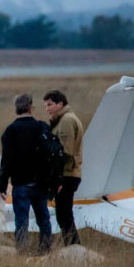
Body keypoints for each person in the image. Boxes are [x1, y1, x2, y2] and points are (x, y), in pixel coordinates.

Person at [0, 93, 52, 254]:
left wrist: (2, 185)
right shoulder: (42, 127)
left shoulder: (10, 131)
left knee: (21, 221)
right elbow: (51, 155)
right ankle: (45, 250)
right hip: (41, 182)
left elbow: (6, 161)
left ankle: (22, 251)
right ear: (30, 108)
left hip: (21, 183)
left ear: (16, 109)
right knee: (44, 219)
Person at [43, 89, 84, 246]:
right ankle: (73, 245)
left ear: (60, 104)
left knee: (64, 214)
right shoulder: (63, 119)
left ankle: (73, 246)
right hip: (68, 173)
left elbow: (65, 151)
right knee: (63, 214)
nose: (47, 109)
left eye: (50, 105)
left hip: (66, 174)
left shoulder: (66, 121)